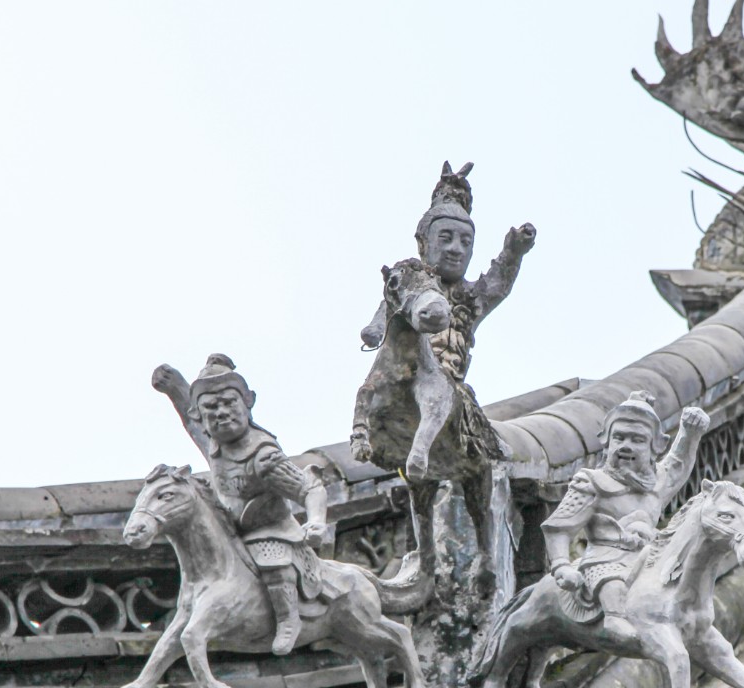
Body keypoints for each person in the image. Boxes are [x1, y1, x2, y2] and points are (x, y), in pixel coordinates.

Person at [155, 353, 328, 655]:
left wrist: (315, 521)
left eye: (229, 403)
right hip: (229, 528)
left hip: (270, 529)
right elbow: (190, 419)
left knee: (272, 560)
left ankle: (288, 618)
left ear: (248, 403)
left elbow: (308, 488)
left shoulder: (263, 456)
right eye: (211, 408)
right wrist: (175, 387)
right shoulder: (214, 444)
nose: (221, 413)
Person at [361, 161, 536, 381]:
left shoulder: (470, 298)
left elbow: (498, 285)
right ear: (423, 243)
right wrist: (376, 329)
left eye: (465, 242)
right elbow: (389, 305)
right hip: (404, 376)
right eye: (446, 238)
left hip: (451, 383)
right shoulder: (411, 283)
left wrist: (513, 253)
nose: (456, 249)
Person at [542, 391, 709, 620]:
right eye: (619, 438)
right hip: (604, 562)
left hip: (647, 562)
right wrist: (562, 566)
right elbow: (559, 528)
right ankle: (615, 622)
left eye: (637, 440)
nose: (626, 446)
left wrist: (690, 432)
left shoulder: (657, 483)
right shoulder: (592, 483)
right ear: (607, 443)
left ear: (654, 448)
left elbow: (678, 463)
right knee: (616, 595)